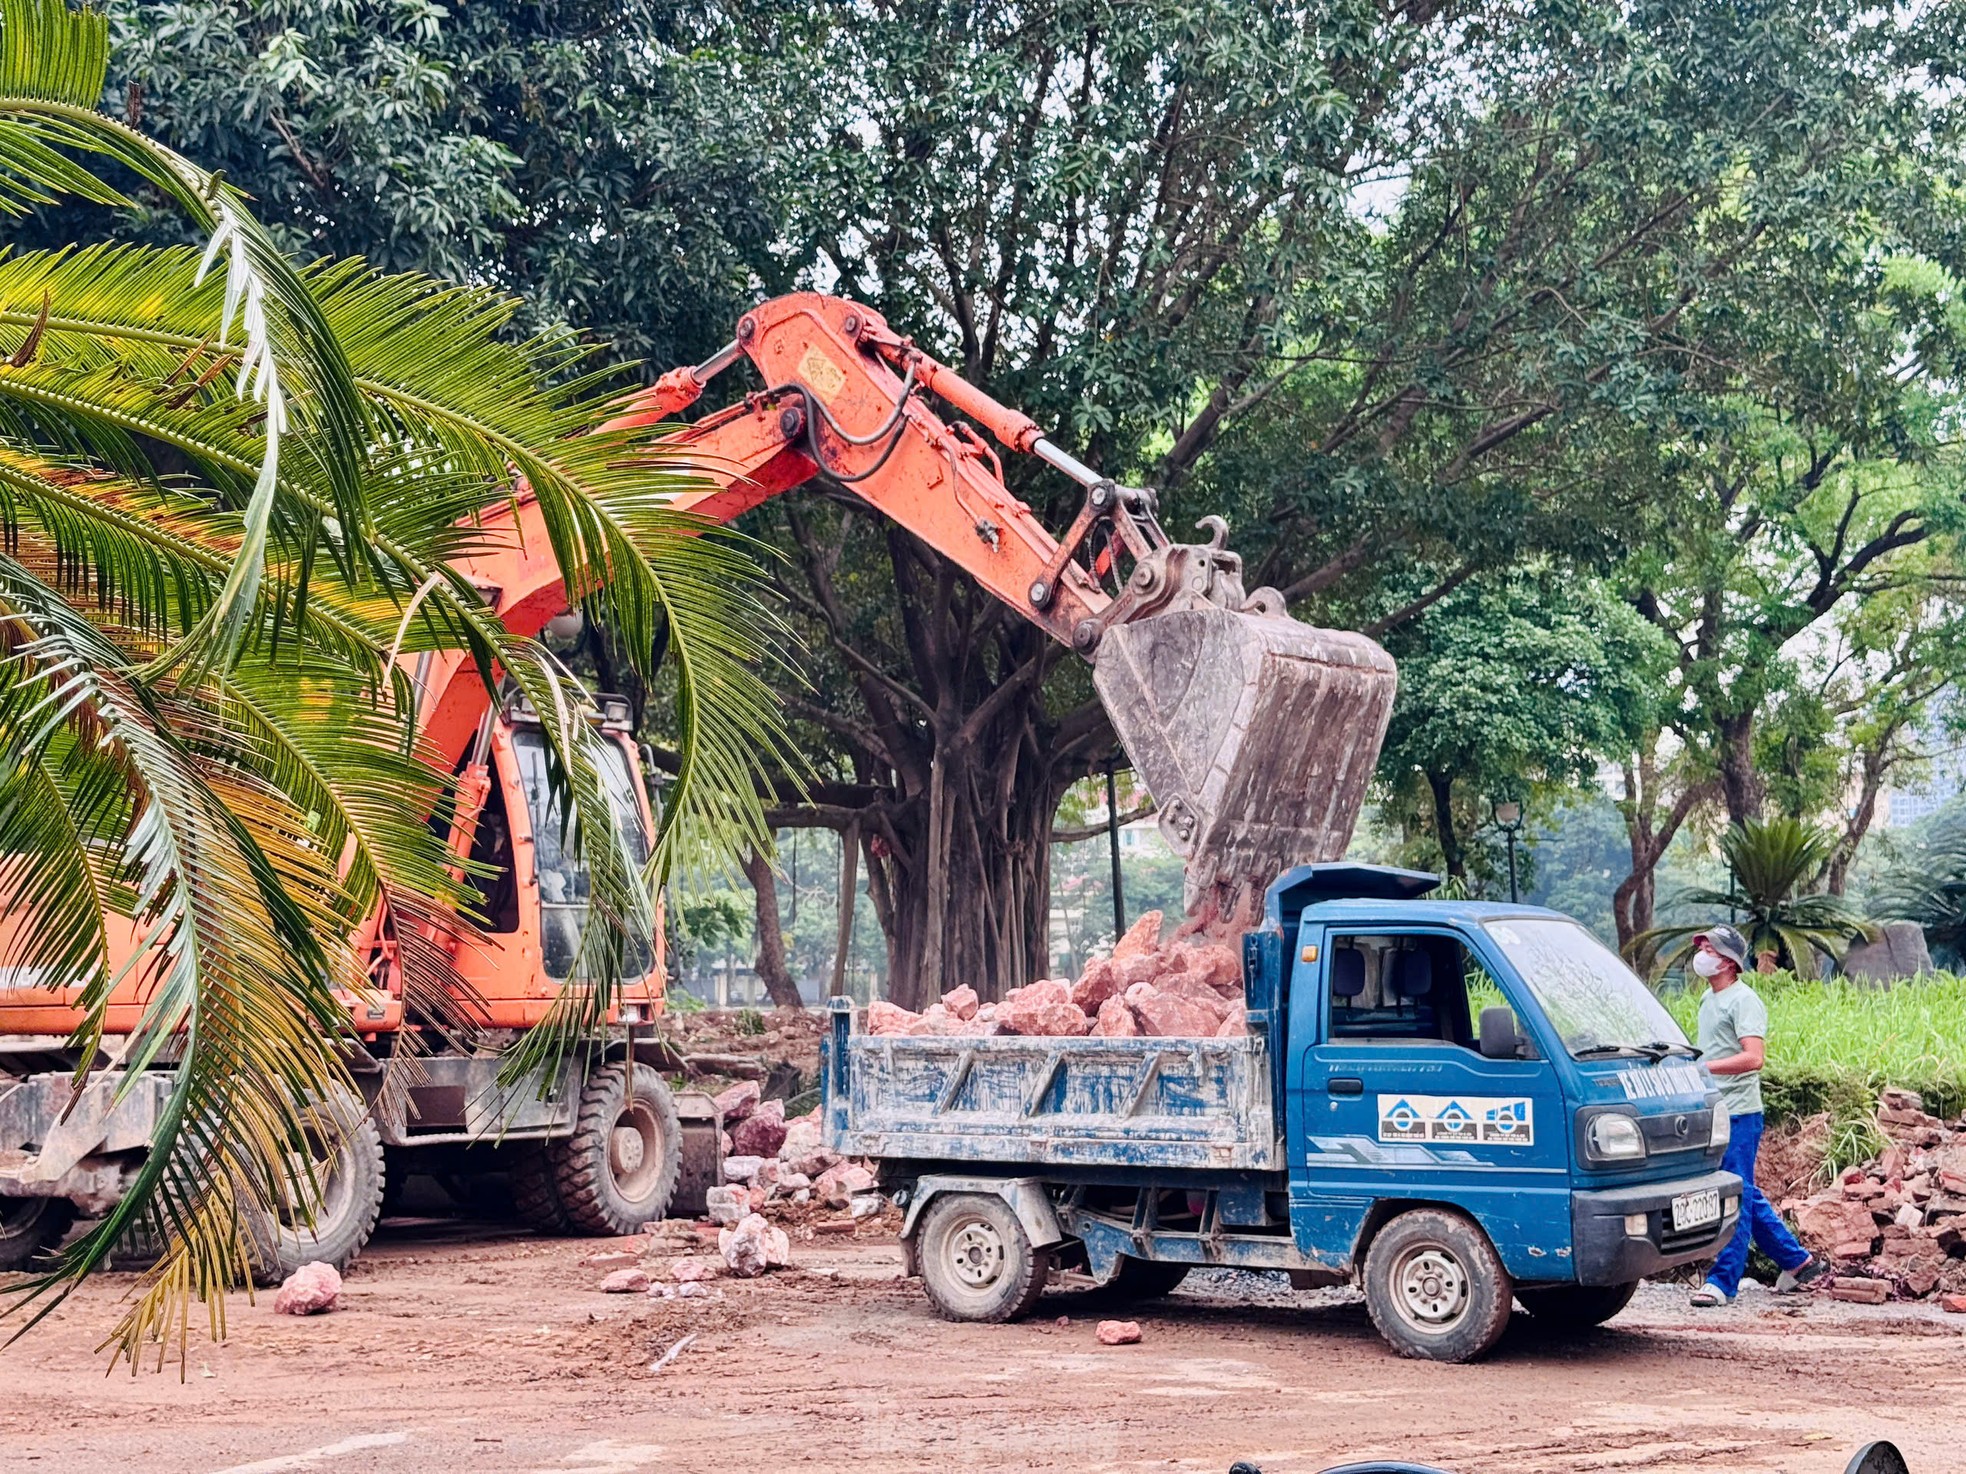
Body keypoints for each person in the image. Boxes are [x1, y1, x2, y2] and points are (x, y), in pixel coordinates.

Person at [1689, 923, 1826, 1306]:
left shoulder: (1743, 1000)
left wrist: (1705, 1069)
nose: (1702, 954)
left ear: (1730, 962)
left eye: (1710, 949)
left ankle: (1723, 1282)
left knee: (1735, 1195)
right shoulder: (1708, 999)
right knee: (1742, 1189)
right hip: (1717, 1112)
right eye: (1701, 947)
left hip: (1740, 1114)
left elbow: (1754, 1057)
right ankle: (1796, 1262)